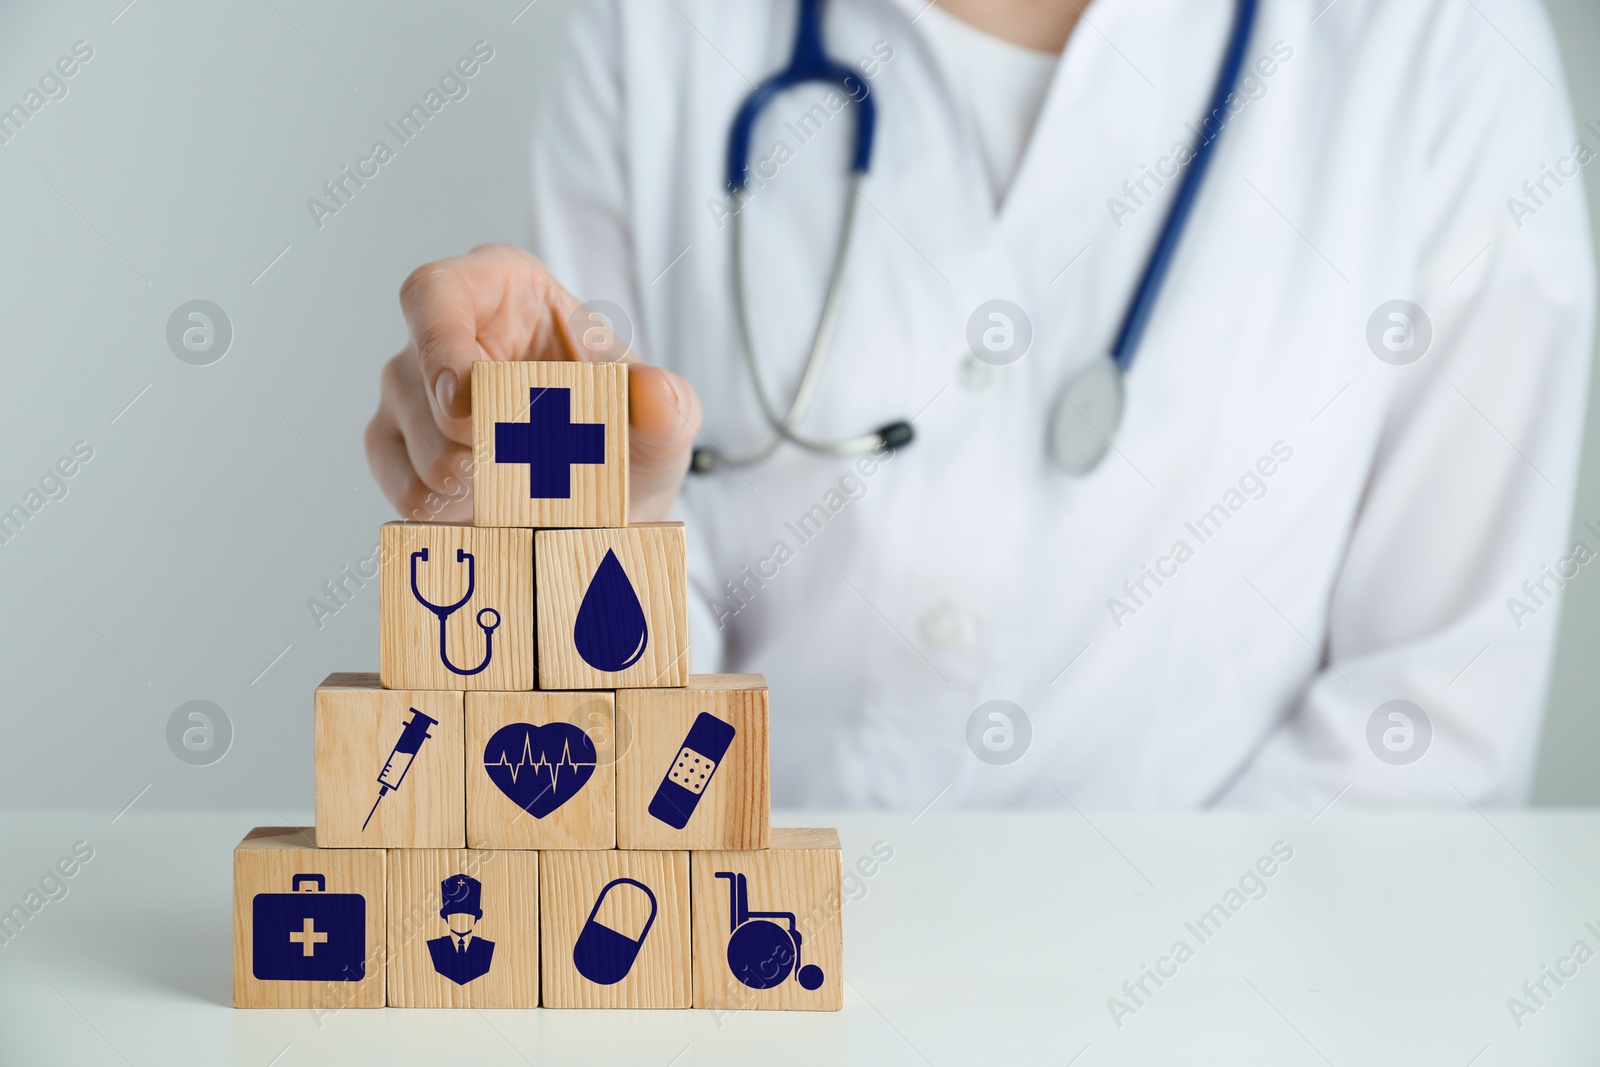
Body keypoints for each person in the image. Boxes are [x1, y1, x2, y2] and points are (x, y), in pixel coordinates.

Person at [366, 0, 1595, 810]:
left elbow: (1421, 743)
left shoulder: (1441, 49)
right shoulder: (666, 30)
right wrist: (555, 529)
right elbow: (604, 759)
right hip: (754, 1006)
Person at [426, 874, 495, 985]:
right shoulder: (434, 946)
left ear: (477, 916)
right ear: (445, 916)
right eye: (455, 914)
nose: (461, 920)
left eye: (467, 915)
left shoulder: (487, 948)